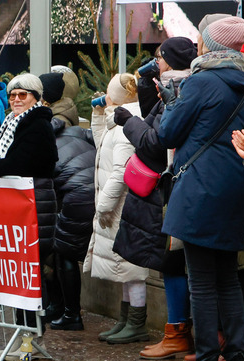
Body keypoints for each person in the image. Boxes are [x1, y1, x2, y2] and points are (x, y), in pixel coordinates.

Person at [160, 17, 244, 361]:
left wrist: (171, 102)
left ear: (210, 45)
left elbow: (167, 134)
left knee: (201, 281)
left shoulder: (201, 82)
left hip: (198, 189)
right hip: (236, 187)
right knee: (228, 279)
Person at [113, 38, 196, 358]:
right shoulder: (173, 88)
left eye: (159, 58)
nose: (155, 62)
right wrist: (147, 79)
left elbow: (154, 139)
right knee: (173, 263)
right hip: (174, 186)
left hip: (174, 188)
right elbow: (153, 115)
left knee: (175, 263)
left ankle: (179, 332)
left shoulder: (181, 91)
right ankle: (179, 333)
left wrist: (126, 121)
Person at [0, 73, 58, 359]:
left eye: (23, 95)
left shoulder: (38, 124)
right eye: (13, 95)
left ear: (35, 96)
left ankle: (30, 339)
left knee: (30, 273)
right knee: (19, 273)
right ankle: (23, 336)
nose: (16, 100)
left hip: (34, 206)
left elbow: (21, 162)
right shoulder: (13, 121)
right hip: (19, 207)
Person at [85, 73, 150, 345]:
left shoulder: (127, 126)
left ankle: (137, 323)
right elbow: (101, 140)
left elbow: (121, 171)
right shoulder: (120, 121)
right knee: (122, 267)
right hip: (116, 207)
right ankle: (125, 321)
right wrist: (98, 112)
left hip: (122, 207)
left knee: (131, 269)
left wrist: (103, 206)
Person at [42, 71, 96, 332]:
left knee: (64, 254)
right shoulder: (72, 127)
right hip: (83, 189)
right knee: (62, 253)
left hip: (75, 194)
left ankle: (72, 314)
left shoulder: (52, 125)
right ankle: (63, 309)